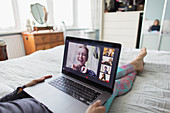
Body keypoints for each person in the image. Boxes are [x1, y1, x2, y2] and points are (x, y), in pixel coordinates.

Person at [0, 48, 147, 113]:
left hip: (33, 96)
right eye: (79, 54)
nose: (81, 57)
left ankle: (135, 64)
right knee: (110, 88)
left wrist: (23, 89)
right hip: (49, 109)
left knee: (101, 81)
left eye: (84, 55)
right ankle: (135, 65)